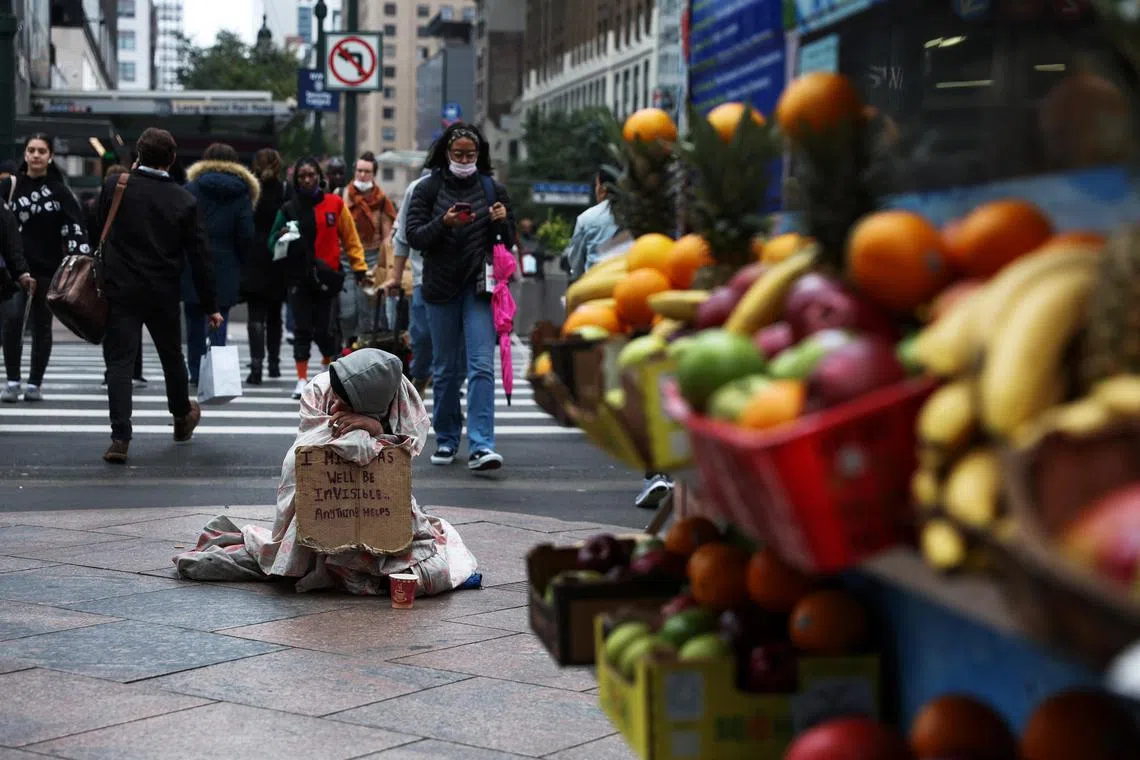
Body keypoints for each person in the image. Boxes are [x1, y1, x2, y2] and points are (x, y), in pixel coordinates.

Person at [174, 348, 480, 597]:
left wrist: (375, 429)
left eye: (345, 403)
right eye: (336, 396)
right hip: (322, 492)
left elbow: (405, 451)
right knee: (318, 542)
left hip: (375, 493)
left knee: (426, 564)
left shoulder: (398, 392)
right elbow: (313, 449)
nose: (334, 404)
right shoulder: (318, 388)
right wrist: (360, 433)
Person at [98, 128, 221, 463]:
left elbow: (99, 230)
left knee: (120, 363)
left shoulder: (116, 186)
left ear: (137, 154)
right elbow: (200, 258)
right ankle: (182, 417)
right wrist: (211, 305)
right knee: (171, 357)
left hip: (120, 289)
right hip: (163, 292)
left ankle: (120, 438)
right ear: (171, 159)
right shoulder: (184, 200)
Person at [404, 122, 513, 473]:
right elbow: (414, 236)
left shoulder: (492, 188)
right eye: (458, 154)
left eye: (471, 154)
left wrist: (502, 220)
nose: (465, 160)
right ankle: (448, 437)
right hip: (439, 288)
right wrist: (444, 223)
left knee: (481, 365)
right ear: (446, 154)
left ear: (479, 154)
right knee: (446, 369)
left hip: (480, 289)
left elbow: (505, 244)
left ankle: (482, 444)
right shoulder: (427, 189)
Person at [0, 134, 92, 403]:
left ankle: (34, 383)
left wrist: (79, 263)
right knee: (13, 321)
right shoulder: (10, 186)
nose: (36, 155)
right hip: (14, 269)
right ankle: (13, 380)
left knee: (42, 326)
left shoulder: (59, 191)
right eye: (31, 150)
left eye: (42, 151)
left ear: (50, 156)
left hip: (48, 270)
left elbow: (76, 228)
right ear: (25, 154)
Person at [268, 157, 367, 400]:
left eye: (311, 174)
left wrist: (359, 267)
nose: (307, 179)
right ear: (296, 180)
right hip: (298, 277)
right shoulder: (288, 209)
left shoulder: (334, 204)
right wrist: (280, 237)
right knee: (301, 329)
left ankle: (325, 368)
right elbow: (271, 243)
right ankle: (301, 380)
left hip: (327, 276)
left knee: (325, 330)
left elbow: (350, 237)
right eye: (302, 176)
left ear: (319, 177)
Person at [182, 143, 257, 385]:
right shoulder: (242, 192)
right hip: (226, 265)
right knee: (219, 317)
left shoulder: (191, 188)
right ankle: (215, 374)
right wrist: (241, 262)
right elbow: (246, 234)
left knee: (194, 318)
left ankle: (195, 371)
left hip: (194, 262)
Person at [95, 164, 145, 389]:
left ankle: (113, 371)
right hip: (136, 272)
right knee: (135, 325)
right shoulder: (138, 200)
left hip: (109, 270)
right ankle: (135, 370)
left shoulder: (101, 201)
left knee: (112, 325)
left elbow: (94, 231)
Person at [385, 170, 434, 396]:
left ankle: (448, 401)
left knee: (458, 352)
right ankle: (421, 376)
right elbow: (401, 237)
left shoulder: (475, 187)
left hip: (460, 282)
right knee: (422, 337)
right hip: (424, 278)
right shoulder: (417, 188)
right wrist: (395, 277)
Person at [341, 150, 397, 349]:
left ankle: (363, 349)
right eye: (359, 171)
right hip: (346, 256)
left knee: (370, 309)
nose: (362, 175)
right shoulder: (343, 195)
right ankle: (346, 346)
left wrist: (384, 262)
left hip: (372, 257)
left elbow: (387, 234)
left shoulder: (381, 200)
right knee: (346, 309)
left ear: (373, 174)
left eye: (366, 172)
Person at [242, 148, 288, 385]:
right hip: (277, 254)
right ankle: (274, 363)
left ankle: (256, 365)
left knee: (255, 314)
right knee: (275, 315)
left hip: (253, 254)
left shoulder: (250, 190)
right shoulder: (284, 190)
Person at [567, 167, 619, 282]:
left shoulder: (588, 218)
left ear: (602, 189)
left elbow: (575, 262)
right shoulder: (640, 218)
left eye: (596, 185)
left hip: (595, 287)